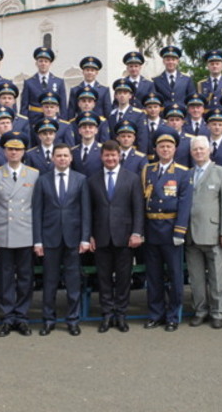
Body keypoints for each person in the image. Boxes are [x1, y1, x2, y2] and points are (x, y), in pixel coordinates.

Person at [32, 143, 92, 336]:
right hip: (50, 238)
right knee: (50, 282)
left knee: (73, 282)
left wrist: (85, 238)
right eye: (59, 156)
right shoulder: (43, 180)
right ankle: (48, 320)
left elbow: (85, 211)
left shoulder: (81, 179)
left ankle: (73, 320)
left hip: (73, 238)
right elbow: (37, 212)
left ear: (71, 158)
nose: (62, 159)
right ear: (53, 158)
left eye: (66, 156)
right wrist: (38, 241)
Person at [88, 140, 144, 333]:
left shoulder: (132, 178)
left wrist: (137, 232)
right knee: (103, 278)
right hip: (101, 236)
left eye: (113, 155)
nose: (110, 158)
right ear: (101, 157)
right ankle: (106, 315)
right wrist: (89, 235)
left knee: (123, 278)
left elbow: (138, 208)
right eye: (107, 155)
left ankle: (121, 314)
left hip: (125, 236)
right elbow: (89, 211)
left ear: (119, 156)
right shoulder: (93, 179)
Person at [141, 126, 193, 331]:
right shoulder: (148, 170)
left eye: (169, 146)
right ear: (156, 149)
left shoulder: (182, 173)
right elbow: (141, 200)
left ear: (175, 150)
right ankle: (156, 314)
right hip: (152, 229)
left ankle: (173, 315)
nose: (165, 150)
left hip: (171, 230)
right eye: (161, 146)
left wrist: (180, 231)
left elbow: (185, 203)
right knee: (153, 276)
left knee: (174, 275)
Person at [0, 131, 39, 337]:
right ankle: (8, 316)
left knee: (26, 277)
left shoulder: (34, 174)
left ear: (24, 151)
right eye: (10, 149)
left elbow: (36, 208)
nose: (14, 152)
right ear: (4, 151)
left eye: (18, 149)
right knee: (6, 277)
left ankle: (22, 315)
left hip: (26, 232)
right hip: (4, 233)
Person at [184, 136, 222, 329]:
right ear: (191, 152)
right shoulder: (187, 174)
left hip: (214, 233)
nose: (198, 152)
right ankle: (200, 310)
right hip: (191, 234)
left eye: (202, 149)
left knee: (218, 277)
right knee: (196, 277)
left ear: (209, 150)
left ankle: (218, 312)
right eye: (195, 149)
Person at [21, 46, 68, 120]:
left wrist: (63, 123)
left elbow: (63, 106)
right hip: (34, 119)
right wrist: (23, 124)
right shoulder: (29, 82)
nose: (43, 64)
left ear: (50, 64)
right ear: (36, 63)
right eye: (41, 61)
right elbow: (24, 107)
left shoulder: (59, 82)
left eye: (46, 61)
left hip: (53, 119)